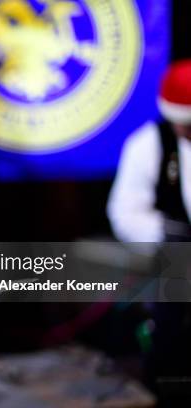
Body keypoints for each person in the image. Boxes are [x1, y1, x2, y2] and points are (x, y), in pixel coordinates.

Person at [107, 59, 191, 407]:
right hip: (174, 261)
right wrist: (171, 236)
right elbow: (124, 212)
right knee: (172, 339)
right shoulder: (149, 145)